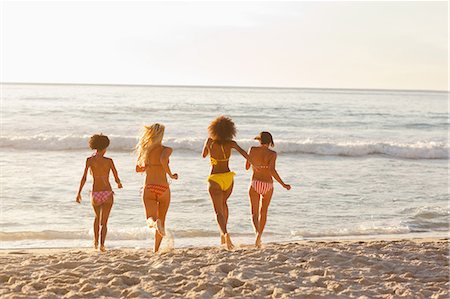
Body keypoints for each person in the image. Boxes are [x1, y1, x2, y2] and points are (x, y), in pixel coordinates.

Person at [202, 116, 253, 250]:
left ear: (213, 130)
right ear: (230, 131)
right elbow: (244, 153)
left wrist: (208, 147)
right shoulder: (231, 143)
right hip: (228, 178)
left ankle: (225, 234)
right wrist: (252, 163)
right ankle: (223, 235)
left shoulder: (209, 141)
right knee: (224, 204)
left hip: (215, 179)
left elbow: (203, 155)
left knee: (218, 211)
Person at [76, 134, 123, 252]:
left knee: (97, 218)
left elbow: (84, 178)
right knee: (104, 222)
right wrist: (119, 184)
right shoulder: (109, 161)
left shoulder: (90, 160)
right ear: (105, 147)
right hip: (107, 192)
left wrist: (79, 193)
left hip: (96, 193)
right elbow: (116, 176)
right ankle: (102, 245)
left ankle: (95, 243)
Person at [136, 123, 178, 252]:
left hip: (149, 187)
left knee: (150, 219)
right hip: (163, 188)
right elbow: (163, 159)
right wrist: (170, 174)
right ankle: (156, 249)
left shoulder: (145, 150)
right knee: (162, 220)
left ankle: (154, 224)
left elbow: (138, 169)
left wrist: (147, 166)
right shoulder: (167, 149)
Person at [246, 131, 291, 248]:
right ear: (270, 141)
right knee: (264, 212)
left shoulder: (252, 150)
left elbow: (246, 167)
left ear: (259, 140)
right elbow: (272, 171)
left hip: (255, 183)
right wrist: (283, 184)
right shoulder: (273, 154)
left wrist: (254, 164)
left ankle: (257, 234)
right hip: (268, 185)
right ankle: (259, 236)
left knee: (254, 213)